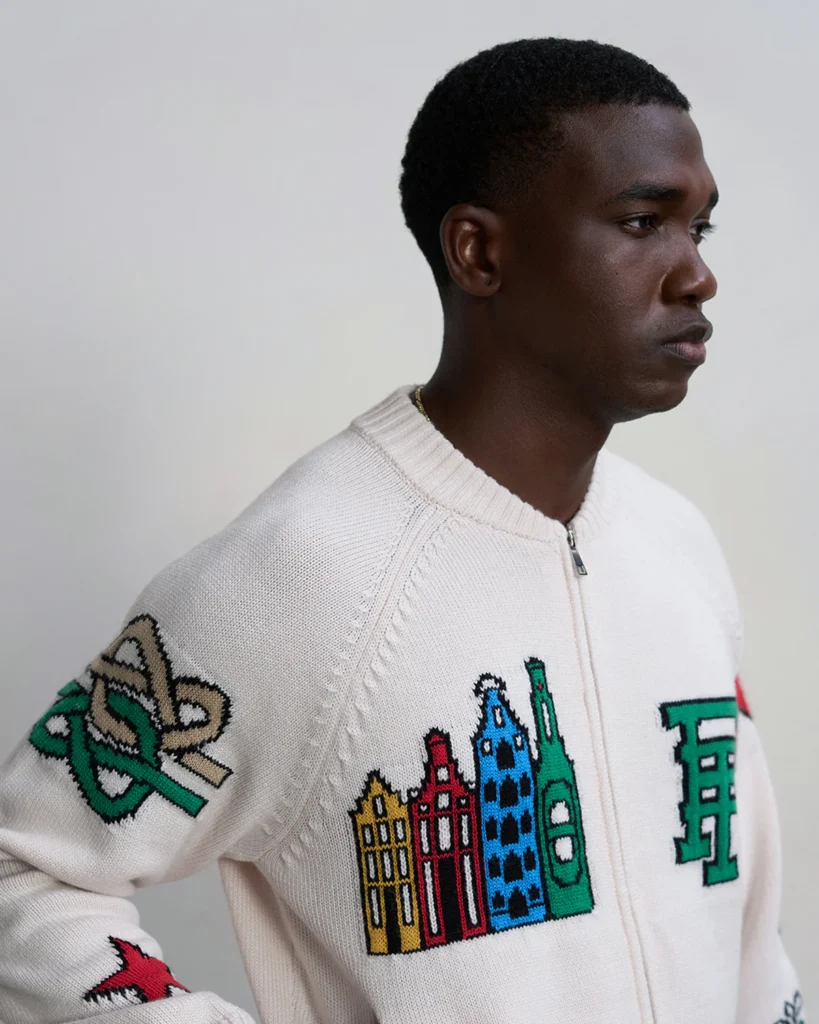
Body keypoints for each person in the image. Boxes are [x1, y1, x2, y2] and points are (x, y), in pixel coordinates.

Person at [0, 35, 804, 1024]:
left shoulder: (676, 545)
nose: (697, 276)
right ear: (480, 252)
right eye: (643, 222)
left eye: (699, 228)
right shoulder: (297, 574)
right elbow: (23, 871)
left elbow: (747, 923)